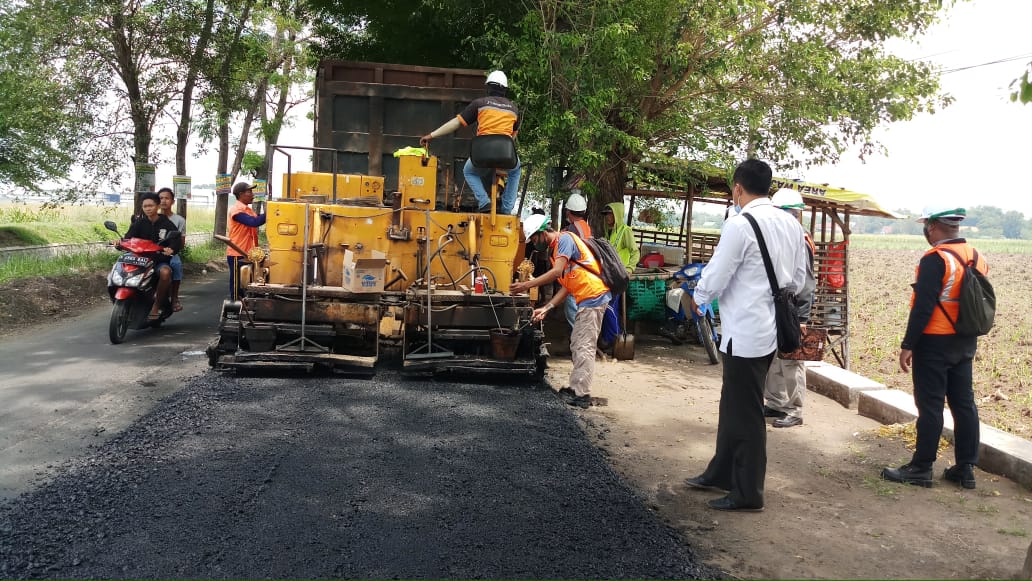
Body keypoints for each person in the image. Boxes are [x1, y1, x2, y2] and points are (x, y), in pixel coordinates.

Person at [683, 159, 808, 512]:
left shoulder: (739, 225)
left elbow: (718, 273)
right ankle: (720, 472)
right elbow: (797, 281)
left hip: (745, 331)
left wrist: (700, 298)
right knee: (734, 403)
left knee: (747, 411)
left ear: (738, 188)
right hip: (769, 330)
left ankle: (748, 492)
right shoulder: (791, 224)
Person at [881, 206, 987, 489]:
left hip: (934, 342)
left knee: (930, 406)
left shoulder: (935, 259)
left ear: (933, 227)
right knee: (964, 404)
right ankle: (965, 469)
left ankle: (921, 467)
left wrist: (908, 345)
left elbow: (923, 307)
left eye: (927, 227)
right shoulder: (976, 257)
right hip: (965, 341)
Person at [510, 214, 611, 409]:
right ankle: (576, 387)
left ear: (542, 233)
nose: (533, 243)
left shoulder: (564, 240)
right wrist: (547, 307)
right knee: (578, 343)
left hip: (593, 296)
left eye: (533, 238)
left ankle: (581, 394)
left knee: (584, 346)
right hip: (585, 297)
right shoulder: (556, 251)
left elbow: (557, 273)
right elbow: (567, 286)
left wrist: (527, 285)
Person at [419, 70, 521, 214]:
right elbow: (512, 137)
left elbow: (456, 123)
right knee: (515, 171)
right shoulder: (514, 109)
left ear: (488, 87)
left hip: (481, 153)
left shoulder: (479, 104)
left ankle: (484, 201)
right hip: (505, 154)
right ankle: (506, 209)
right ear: (505, 89)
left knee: (469, 171)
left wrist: (431, 135)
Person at [762, 189, 817, 428]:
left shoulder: (799, 239)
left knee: (792, 360)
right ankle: (775, 402)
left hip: (792, 308)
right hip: (778, 304)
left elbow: (805, 281)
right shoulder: (785, 236)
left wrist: (802, 317)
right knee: (774, 357)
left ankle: (795, 409)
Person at [121, 192, 183, 320]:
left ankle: (156, 305)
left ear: (158, 206)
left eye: (151, 205)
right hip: (139, 260)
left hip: (158, 261)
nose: (148, 208)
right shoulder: (139, 223)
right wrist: (119, 243)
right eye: (145, 206)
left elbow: (176, 240)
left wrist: (171, 249)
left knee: (166, 272)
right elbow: (128, 238)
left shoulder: (166, 223)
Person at [227, 181, 267, 300]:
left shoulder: (248, 210)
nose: (253, 194)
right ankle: (235, 306)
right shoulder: (237, 210)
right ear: (241, 194)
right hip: (237, 253)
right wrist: (270, 211)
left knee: (248, 280)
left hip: (249, 253)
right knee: (237, 284)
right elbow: (254, 222)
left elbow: (258, 219)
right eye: (249, 192)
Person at [562, 192, 592, 328]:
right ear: (584, 211)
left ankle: (579, 342)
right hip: (588, 274)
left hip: (576, 275)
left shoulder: (572, 229)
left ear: (568, 211)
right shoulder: (586, 226)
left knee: (573, 312)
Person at [157, 187, 187, 313]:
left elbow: (181, 243)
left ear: (172, 201)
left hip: (170, 253)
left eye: (167, 198)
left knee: (176, 264)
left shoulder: (179, 220)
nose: (163, 201)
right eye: (160, 198)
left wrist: (171, 249)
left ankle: (174, 298)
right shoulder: (151, 217)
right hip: (152, 252)